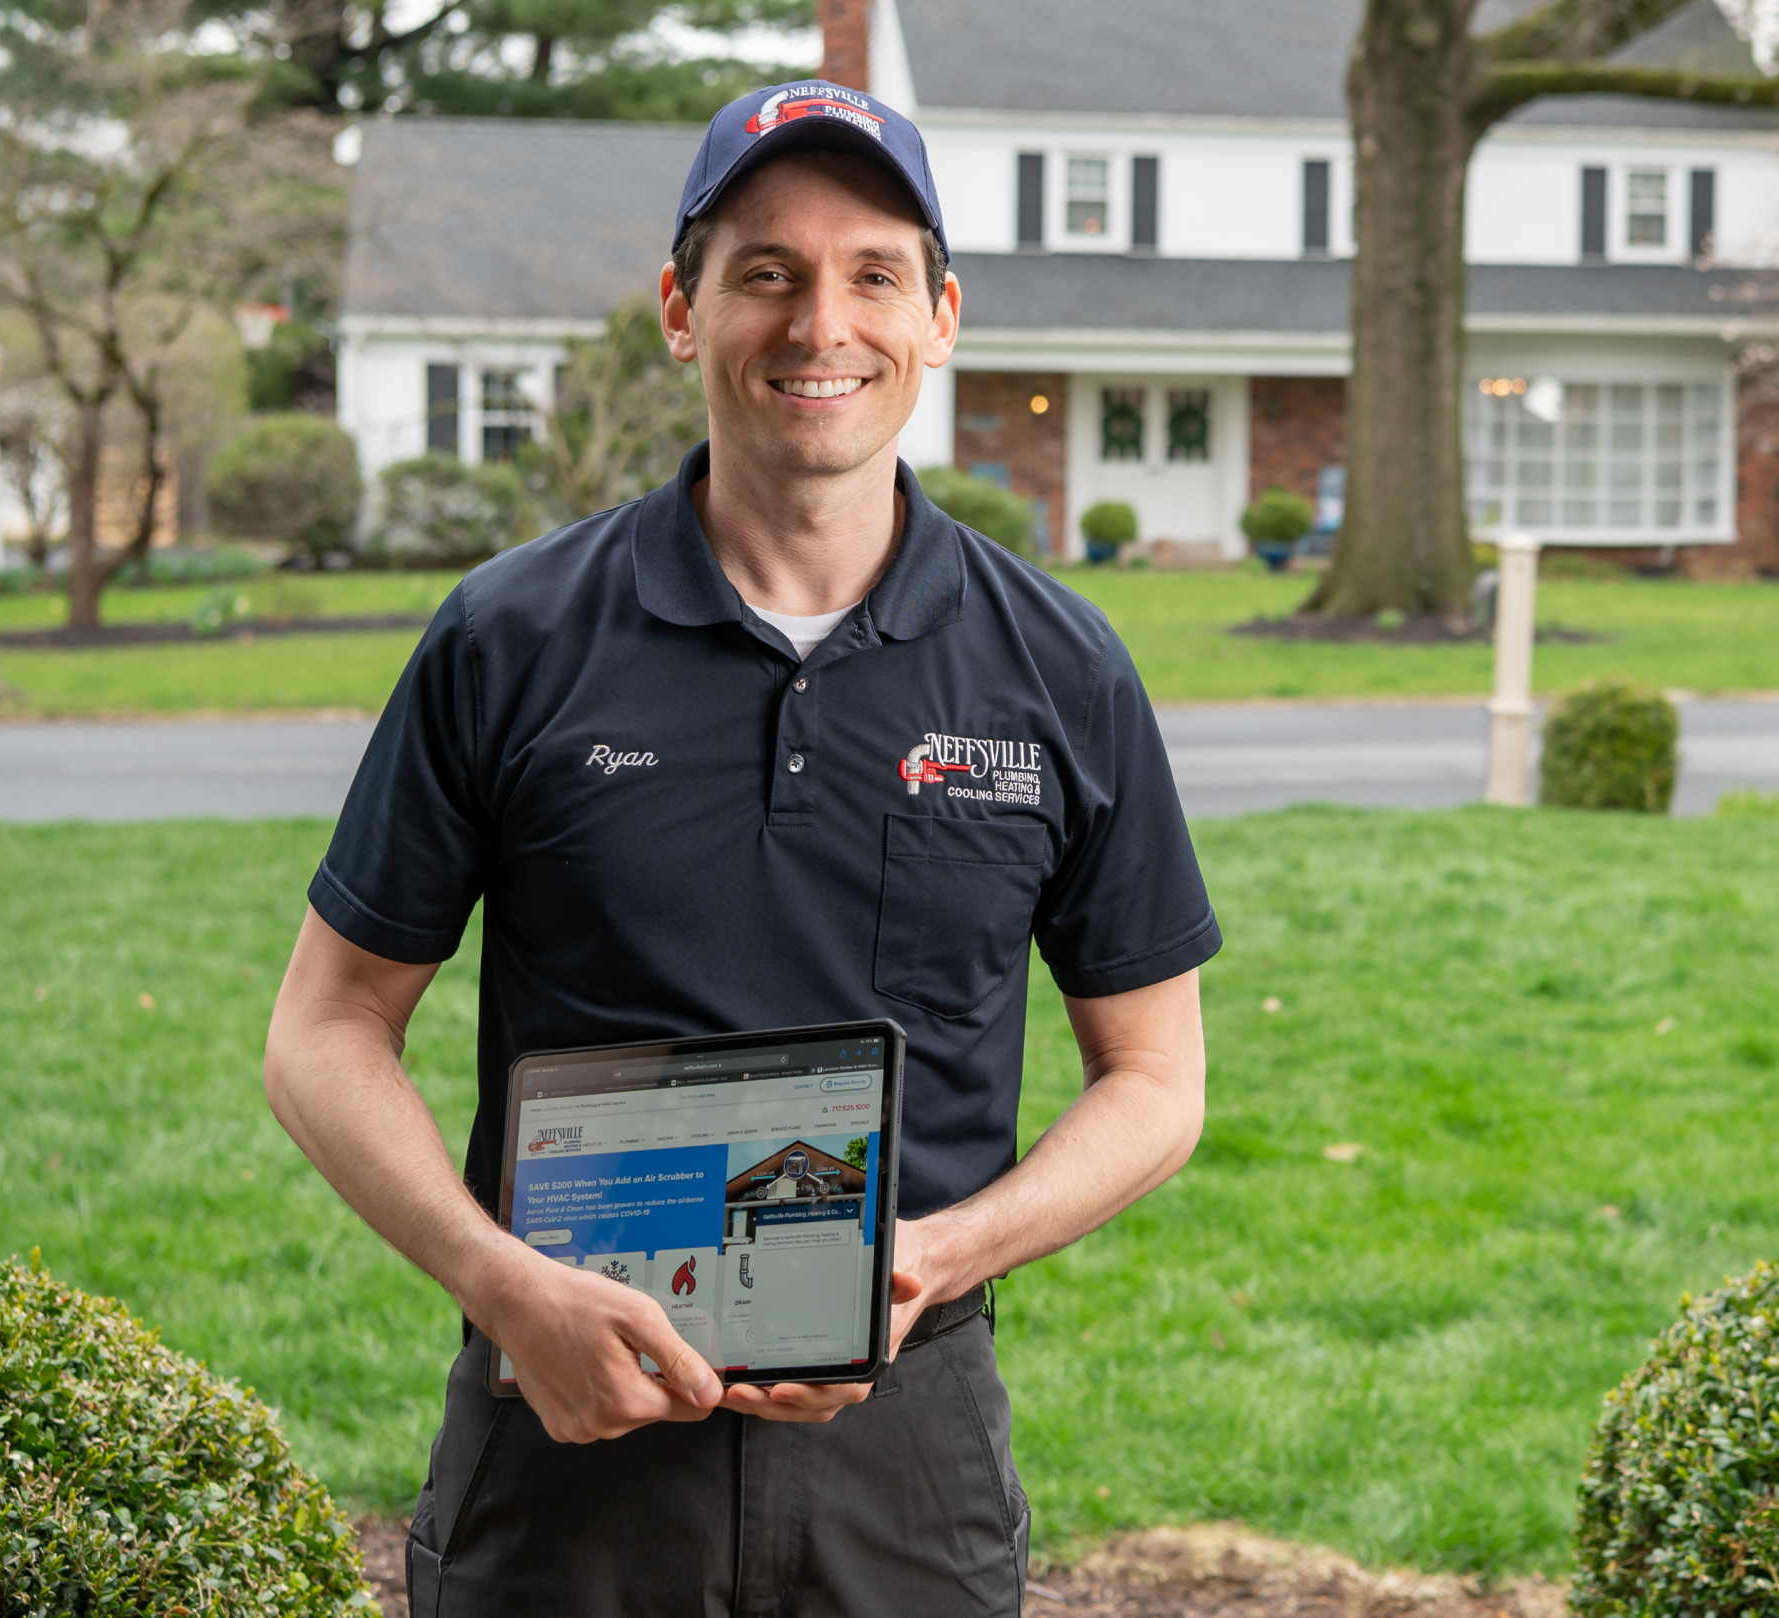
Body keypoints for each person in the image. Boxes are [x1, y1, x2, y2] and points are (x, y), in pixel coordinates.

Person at [264, 78, 1219, 1618]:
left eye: (871, 273)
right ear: (680, 309)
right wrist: (503, 1284)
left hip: (906, 1455)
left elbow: (1159, 1081)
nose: (818, 322)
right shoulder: (510, 639)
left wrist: (933, 1256)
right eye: (764, 270)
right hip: (562, 1443)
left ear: (942, 314)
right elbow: (325, 1027)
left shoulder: (1061, 669)